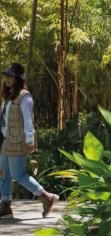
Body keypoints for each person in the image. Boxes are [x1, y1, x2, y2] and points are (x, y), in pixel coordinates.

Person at [0, 63, 59, 219]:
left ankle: (46, 196)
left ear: (18, 78)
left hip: (19, 141)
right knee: (3, 174)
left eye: (10, 76)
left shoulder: (25, 96)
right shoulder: (7, 97)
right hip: (6, 141)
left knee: (18, 175)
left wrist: (30, 140)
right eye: (6, 76)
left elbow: (28, 120)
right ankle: (5, 205)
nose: (6, 79)